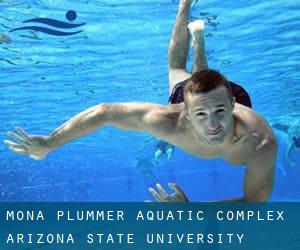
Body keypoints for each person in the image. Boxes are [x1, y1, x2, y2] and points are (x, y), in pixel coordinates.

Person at [4, 0, 277, 202]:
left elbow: (255, 202)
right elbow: (105, 112)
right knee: (177, 71)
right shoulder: (170, 120)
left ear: (232, 105)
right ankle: (185, 6)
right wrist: (50, 142)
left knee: (186, 75)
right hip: (202, 96)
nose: (214, 124)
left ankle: (199, 43)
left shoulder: (260, 140)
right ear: (184, 110)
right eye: (201, 115)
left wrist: (192, 211)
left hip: (224, 98)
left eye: (220, 111)